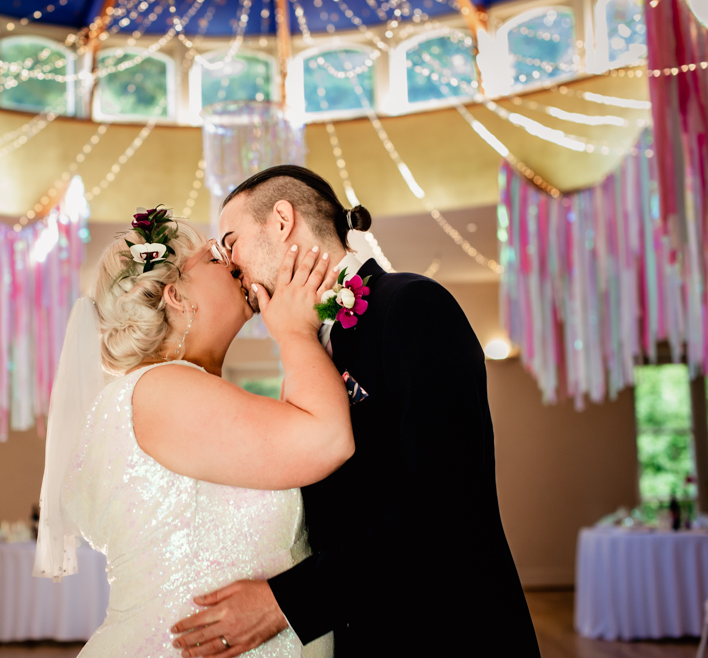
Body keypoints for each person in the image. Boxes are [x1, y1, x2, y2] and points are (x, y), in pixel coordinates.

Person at [171, 166, 541, 657]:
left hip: (448, 631)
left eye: (232, 241)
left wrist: (282, 603)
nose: (231, 265)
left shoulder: (412, 305)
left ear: (282, 220)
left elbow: (444, 504)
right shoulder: (304, 349)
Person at [34, 206, 350, 657]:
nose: (234, 262)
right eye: (214, 258)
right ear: (177, 297)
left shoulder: (174, 394)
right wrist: (294, 334)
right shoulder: (161, 391)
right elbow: (328, 441)